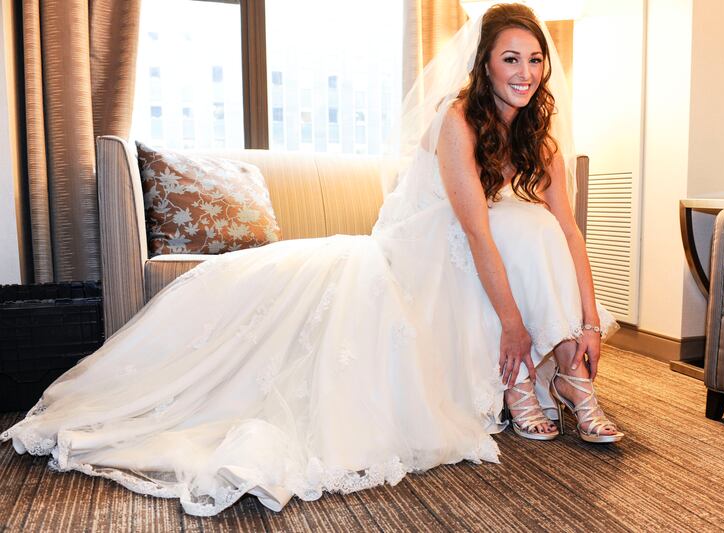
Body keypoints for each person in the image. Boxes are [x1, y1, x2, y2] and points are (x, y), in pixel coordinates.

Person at [1, 2, 621, 517]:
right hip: (421, 253)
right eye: (510, 58)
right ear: (484, 64)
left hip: (472, 256)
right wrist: (512, 325)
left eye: (534, 58)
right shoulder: (458, 119)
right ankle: (528, 376)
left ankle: (569, 370)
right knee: (510, 226)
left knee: (536, 222)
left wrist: (590, 321)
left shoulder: (539, 138)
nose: (525, 72)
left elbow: (571, 231)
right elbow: (475, 233)